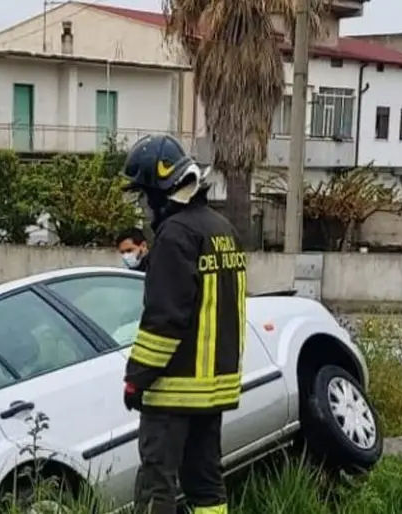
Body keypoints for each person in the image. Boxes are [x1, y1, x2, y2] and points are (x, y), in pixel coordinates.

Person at [120, 134, 246, 514]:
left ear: (161, 190)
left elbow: (164, 320)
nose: (144, 205)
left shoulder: (174, 236)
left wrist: (136, 379)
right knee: (206, 485)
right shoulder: (222, 230)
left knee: (156, 484)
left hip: (174, 390)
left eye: (144, 194)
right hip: (215, 389)